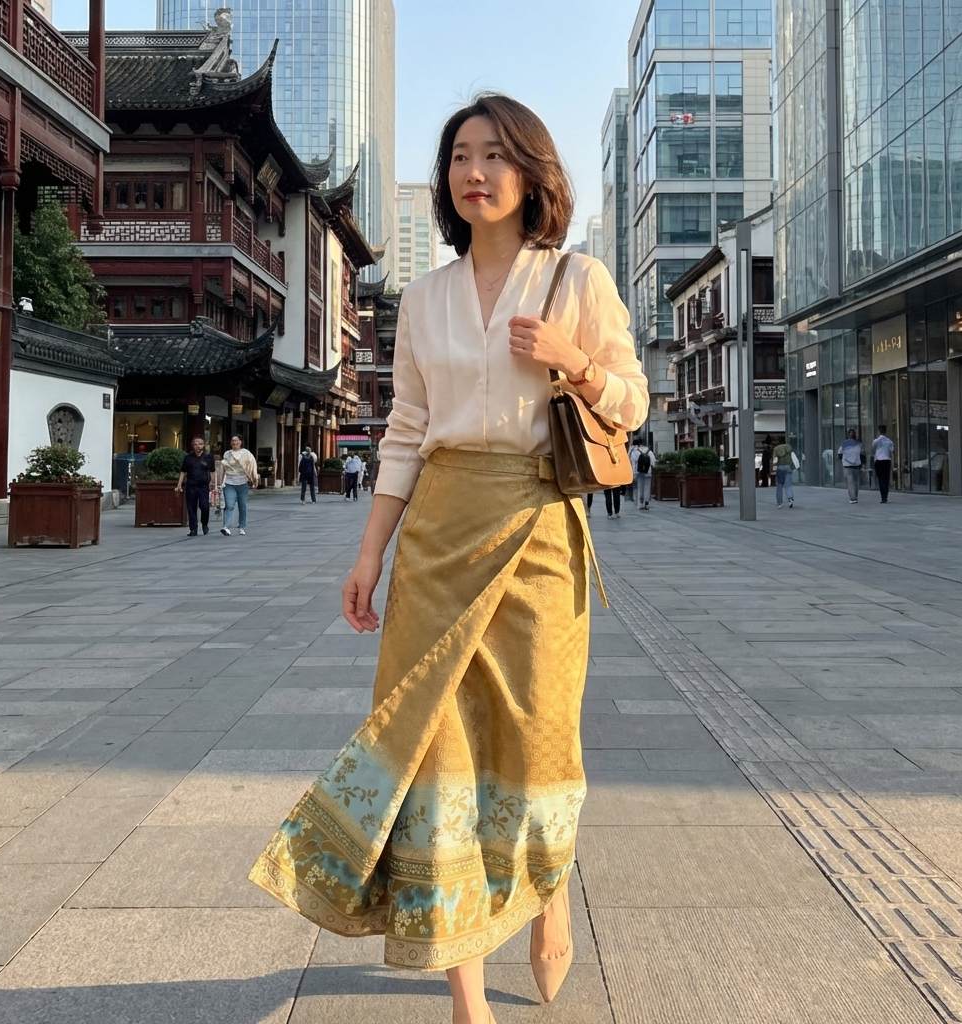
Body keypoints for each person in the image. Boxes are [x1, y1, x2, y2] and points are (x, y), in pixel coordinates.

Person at [248, 93, 648, 1024]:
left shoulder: (578, 281)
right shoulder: (423, 299)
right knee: (434, 751)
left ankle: (547, 903)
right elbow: (405, 431)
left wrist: (574, 364)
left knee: (540, 739)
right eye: (462, 155)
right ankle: (467, 994)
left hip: (541, 531)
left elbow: (631, 402)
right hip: (436, 535)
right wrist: (368, 556)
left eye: (496, 155)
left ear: (532, 172)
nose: (476, 171)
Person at [217, 435, 257, 535]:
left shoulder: (246, 453)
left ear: (241, 442)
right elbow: (224, 468)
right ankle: (226, 526)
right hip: (229, 482)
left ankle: (242, 526)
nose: (234, 443)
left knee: (242, 505)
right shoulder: (227, 454)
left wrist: (254, 478)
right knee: (229, 505)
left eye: (236, 440)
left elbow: (252, 465)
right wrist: (220, 483)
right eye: (233, 441)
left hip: (242, 483)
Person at [175, 436, 215, 536]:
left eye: (200, 444)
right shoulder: (188, 458)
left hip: (204, 486)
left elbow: (212, 471)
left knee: (204, 506)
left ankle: (204, 523)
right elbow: (183, 472)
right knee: (191, 507)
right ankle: (193, 529)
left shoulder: (208, 457)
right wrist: (179, 485)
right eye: (195, 444)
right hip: (191, 485)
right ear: (192, 446)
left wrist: (213, 483)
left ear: (203, 445)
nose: (198, 446)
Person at [837, 428, 865, 503]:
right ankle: (855, 495)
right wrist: (863, 464)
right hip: (857, 465)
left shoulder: (844, 443)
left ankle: (853, 497)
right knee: (856, 482)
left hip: (847, 466)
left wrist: (843, 459)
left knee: (850, 482)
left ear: (848, 435)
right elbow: (862, 454)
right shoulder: (859, 444)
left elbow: (840, 454)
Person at [871, 425, 894, 503]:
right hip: (887, 460)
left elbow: (873, 450)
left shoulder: (876, 441)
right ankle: (886, 495)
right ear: (885, 431)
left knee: (880, 478)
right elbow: (891, 452)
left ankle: (883, 496)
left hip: (878, 460)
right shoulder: (890, 442)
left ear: (878, 431)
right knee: (886, 479)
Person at [773, 438, 796, 508]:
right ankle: (790, 499)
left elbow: (775, 460)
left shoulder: (776, 449)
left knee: (779, 486)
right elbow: (792, 457)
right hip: (788, 467)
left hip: (780, 468)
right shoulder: (789, 447)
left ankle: (780, 503)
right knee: (788, 485)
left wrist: (774, 467)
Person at [634, 442, 654, 510]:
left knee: (640, 487)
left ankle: (641, 503)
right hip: (648, 472)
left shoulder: (636, 452)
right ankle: (646, 503)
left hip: (639, 472)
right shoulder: (650, 452)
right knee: (647, 488)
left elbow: (633, 462)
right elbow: (653, 462)